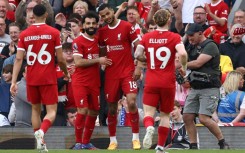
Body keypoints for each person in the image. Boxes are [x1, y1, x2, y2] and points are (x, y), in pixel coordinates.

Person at [10, 4, 69, 153]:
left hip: (31, 78)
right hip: (48, 77)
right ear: (46, 15)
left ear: (33, 16)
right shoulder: (54, 32)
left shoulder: (24, 34)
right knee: (51, 112)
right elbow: (61, 59)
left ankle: (40, 144)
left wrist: (13, 81)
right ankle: (41, 132)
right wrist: (66, 72)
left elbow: (18, 59)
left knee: (35, 110)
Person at [134, 9, 187, 153]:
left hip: (151, 80)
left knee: (148, 113)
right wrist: (184, 66)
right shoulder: (174, 37)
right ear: (169, 20)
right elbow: (182, 53)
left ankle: (150, 126)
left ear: (155, 22)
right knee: (165, 115)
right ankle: (160, 147)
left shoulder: (146, 37)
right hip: (168, 81)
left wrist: (147, 59)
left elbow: (137, 53)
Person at [98, 3, 141, 150]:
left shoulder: (127, 26)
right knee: (111, 108)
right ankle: (113, 140)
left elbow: (139, 46)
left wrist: (139, 67)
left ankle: (135, 138)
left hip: (127, 72)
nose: (106, 17)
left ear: (112, 11)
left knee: (132, 101)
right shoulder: (102, 32)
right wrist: (102, 61)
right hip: (111, 74)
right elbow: (102, 53)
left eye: (107, 14)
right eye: (103, 16)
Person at [183, 23, 229, 149]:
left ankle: (222, 142)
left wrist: (181, 65)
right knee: (187, 116)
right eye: (188, 36)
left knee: (203, 118)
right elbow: (181, 53)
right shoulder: (192, 46)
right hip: (195, 87)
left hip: (209, 87)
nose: (190, 38)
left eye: (191, 35)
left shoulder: (210, 46)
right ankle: (193, 145)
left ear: (200, 33)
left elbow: (198, 63)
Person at [71, 11, 112, 150]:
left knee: (94, 112)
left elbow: (103, 54)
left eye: (93, 23)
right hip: (80, 81)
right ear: (83, 25)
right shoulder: (78, 41)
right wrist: (98, 60)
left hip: (94, 82)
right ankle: (78, 142)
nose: (91, 26)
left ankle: (86, 142)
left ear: (97, 24)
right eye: (88, 23)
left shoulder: (97, 40)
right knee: (82, 110)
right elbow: (78, 62)